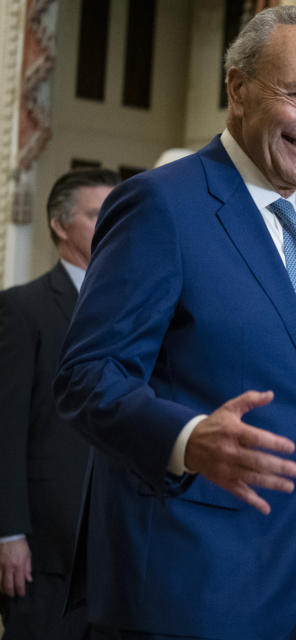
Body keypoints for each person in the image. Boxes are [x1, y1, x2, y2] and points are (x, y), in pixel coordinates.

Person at [54, 7, 296, 639]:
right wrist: (187, 437)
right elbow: (88, 376)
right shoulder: (161, 204)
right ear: (237, 89)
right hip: (186, 587)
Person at [0, 168, 118, 639]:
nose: (109, 224)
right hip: (44, 549)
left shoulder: (133, 308)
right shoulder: (22, 309)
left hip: (114, 546)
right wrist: (8, 533)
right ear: (59, 224)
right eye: (96, 214)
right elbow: (5, 428)